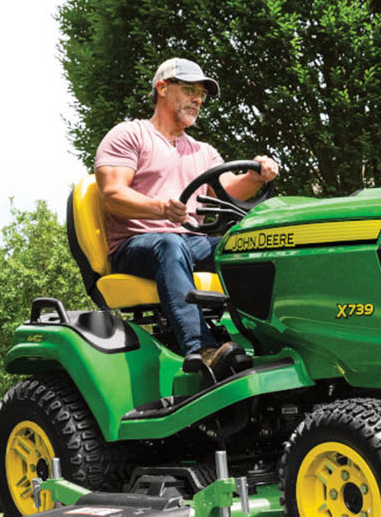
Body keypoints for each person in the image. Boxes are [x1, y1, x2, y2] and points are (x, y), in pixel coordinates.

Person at [96, 57, 279, 374]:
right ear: (163, 88)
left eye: (202, 95)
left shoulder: (202, 151)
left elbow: (228, 191)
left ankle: (272, 337)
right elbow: (113, 195)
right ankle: (202, 349)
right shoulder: (129, 135)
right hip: (135, 245)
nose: (197, 99)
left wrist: (257, 176)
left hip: (187, 243)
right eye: (189, 90)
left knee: (245, 245)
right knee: (169, 244)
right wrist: (160, 208)